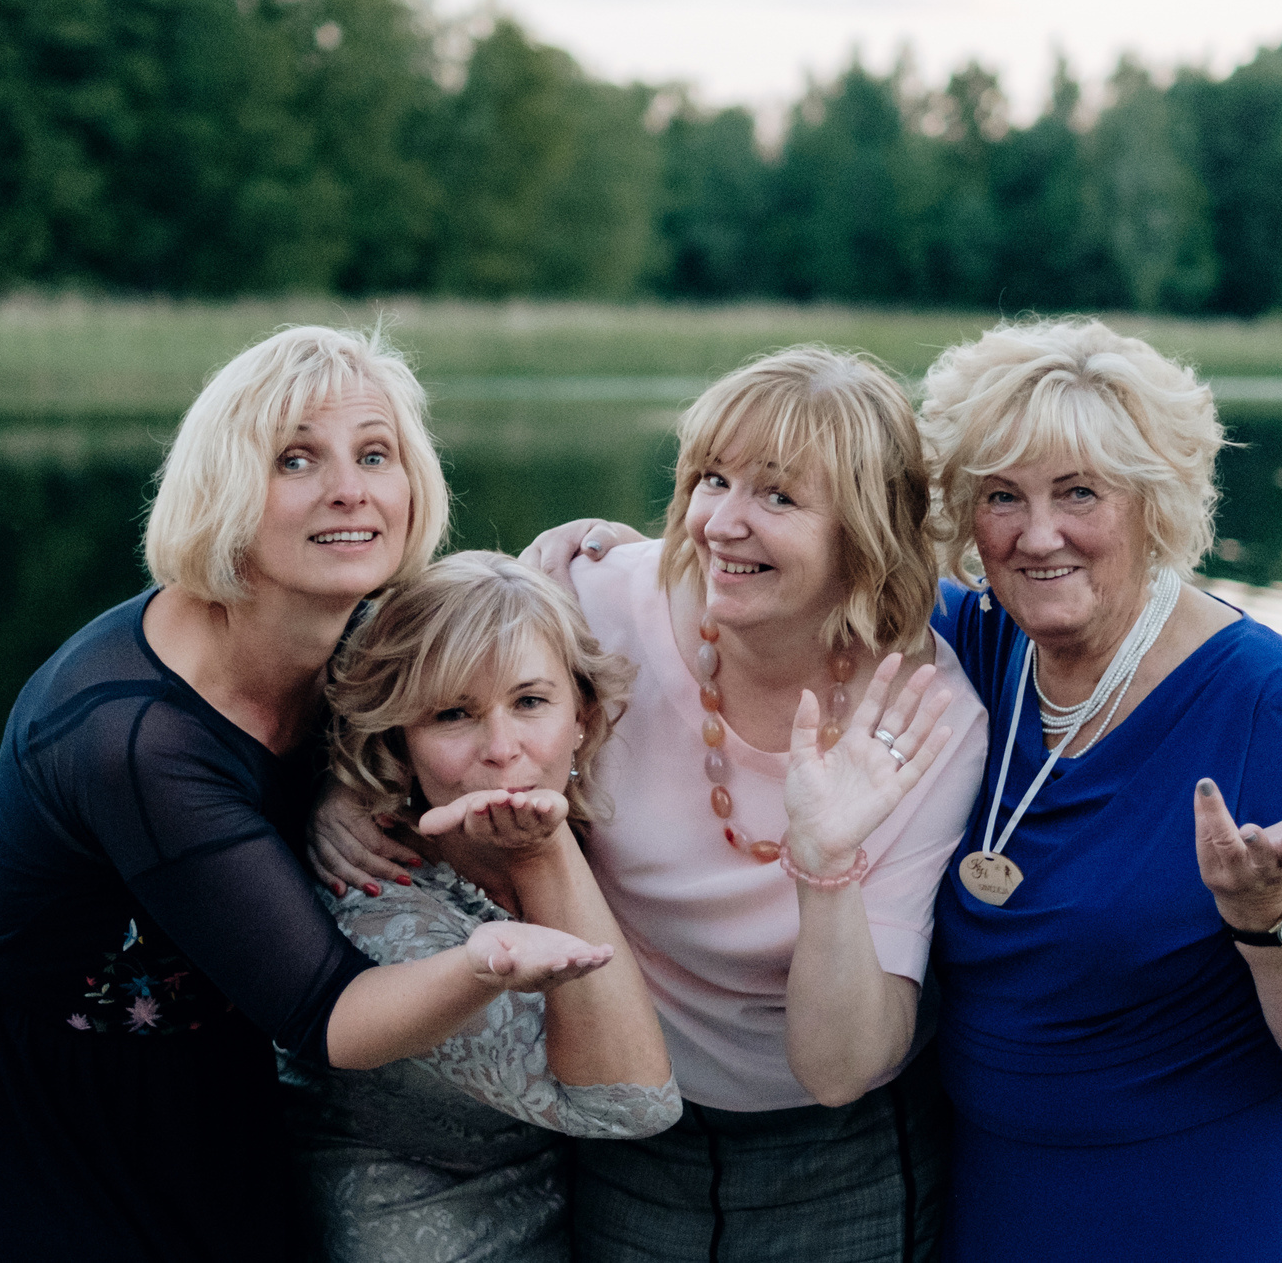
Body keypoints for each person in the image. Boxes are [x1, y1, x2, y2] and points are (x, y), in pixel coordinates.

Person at [0, 327, 617, 1263]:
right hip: (28, 1103)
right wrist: (485, 963)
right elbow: (333, 1018)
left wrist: (620, 564)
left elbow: (507, 648)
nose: (349, 489)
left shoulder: (361, 621)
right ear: (224, 488)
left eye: (374, 454)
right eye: (296, 459)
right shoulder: (133, 739)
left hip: (205, 1063)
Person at [315, 346, 989, 1263]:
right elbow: (423, 675)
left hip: (843, 1156)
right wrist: (345, 789)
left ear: (864, 532)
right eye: (711, 478)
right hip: (625, 1127)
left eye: (778, 495)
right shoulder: (592, 597)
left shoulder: (925, 720)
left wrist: (826, 865)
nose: (721, 522)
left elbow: (842, 1070)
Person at [917, 317, 1282, 1261]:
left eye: (1079, 492)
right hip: (1008, 1199)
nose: (1037, 534)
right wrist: (624, 568)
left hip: (1227, 1208)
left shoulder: (1267, 705)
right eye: (1001, 495)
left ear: (1155, 504)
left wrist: (1274, 917)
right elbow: (795, 566)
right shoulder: (974, 645)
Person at [281, 550, 682, 1263]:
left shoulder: (617, 802)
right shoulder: (373, 904)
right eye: (452, 714)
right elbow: (632, 1104)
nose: (502, 749)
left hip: (594, 1220)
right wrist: (542, 853)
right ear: (399, 740)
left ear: (583, 715)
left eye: (530, 702)